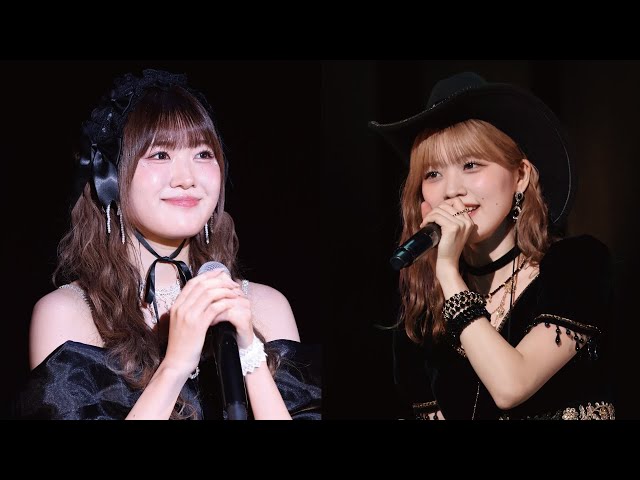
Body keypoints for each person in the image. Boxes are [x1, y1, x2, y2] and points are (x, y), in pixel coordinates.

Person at [17, 69, 321, 420]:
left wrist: (250, 354)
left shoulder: (266, 306)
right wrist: (175, 364)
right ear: (110, 177)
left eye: (203, 154)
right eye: (160, 155)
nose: (187, 178)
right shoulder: (68, 313)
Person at [369, 72, 614, 420]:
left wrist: (448, 273)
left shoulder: (576, 265)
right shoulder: (422, 313)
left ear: (521, 175)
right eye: (433, 174)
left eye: (471, 165)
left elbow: (511, 386)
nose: (451, 190)